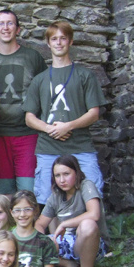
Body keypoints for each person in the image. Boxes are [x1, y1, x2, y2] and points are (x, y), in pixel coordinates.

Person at [23, 21, 108, 205]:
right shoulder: (39, 80)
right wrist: (50, 129)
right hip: (48, 148)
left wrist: (68, 126)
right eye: (54, 39)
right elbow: (29, 117)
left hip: (81, 146)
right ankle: (55, 227)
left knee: (92, 194)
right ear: (48, 43)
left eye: (63, 38)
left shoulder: (85, 75)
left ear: (70, 41)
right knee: (47, 199)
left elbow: (94, 113)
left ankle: (88, 226)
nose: (59, 43)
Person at [0, 10, 48, 196]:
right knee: (1, 195)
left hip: (28, 134)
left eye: (10, 23)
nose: (6, 28)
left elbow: (45, 92)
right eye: (1, 24)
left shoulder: (32, 58)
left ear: (18, 29)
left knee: (29, 191)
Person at [35, 155, 108, 267]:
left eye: (66, 174)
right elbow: (39, 223)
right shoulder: (56, 195)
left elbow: (94, 214)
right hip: (68, 243)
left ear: (77, 173)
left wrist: (65, 223)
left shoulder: (86, 186)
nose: (62, 180)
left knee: (87, 224)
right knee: (34, 239)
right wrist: (42, 240)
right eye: (57, 175)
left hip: (93, 244)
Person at [11, 190, 58, 267]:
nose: (22, 214)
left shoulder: (45, 241)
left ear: (36, 211)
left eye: (27, 209)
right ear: (11, 212)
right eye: (17, 210)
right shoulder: (6, 239)